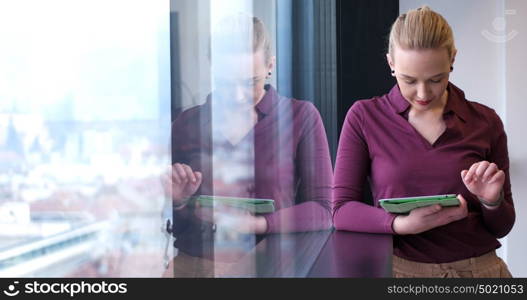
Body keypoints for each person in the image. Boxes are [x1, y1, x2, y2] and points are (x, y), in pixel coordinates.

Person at [333, 6, 515, 278]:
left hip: (481, 271)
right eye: (409, 80)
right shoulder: (364, 117)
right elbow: (340, 211)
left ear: (452, 59)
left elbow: (502, 226)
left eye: (436, 79)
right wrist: (401, 225)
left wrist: (491, 200)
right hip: (399, 272)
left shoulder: (485, 121)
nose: (422, 93)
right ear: (391, 63)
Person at [165, 15, 333, 277]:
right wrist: (176, 201)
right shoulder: (187, 123)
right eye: (225, 82)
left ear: (270, 66)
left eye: (250, 82)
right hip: (194, 266)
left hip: (271, 268)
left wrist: (257, 223)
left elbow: (324, 210)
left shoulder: (301, 116)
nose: (237, 96)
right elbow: (170, 219)